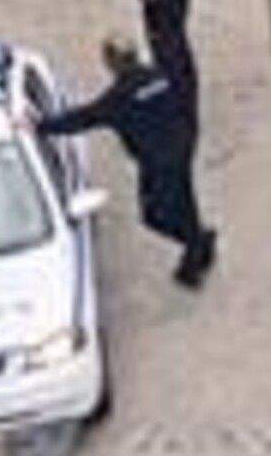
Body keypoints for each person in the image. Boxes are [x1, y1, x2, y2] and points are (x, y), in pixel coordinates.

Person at [42, 35, 217, 289]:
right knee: (186, 205)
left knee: (154, 215)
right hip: (181, 150)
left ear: (112, 63)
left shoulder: (119, 98)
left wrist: (42, 126)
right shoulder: (160, 76)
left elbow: (83, 118)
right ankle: (195, 252)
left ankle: (197, 245)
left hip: (155, 161)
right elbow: (185, 101)